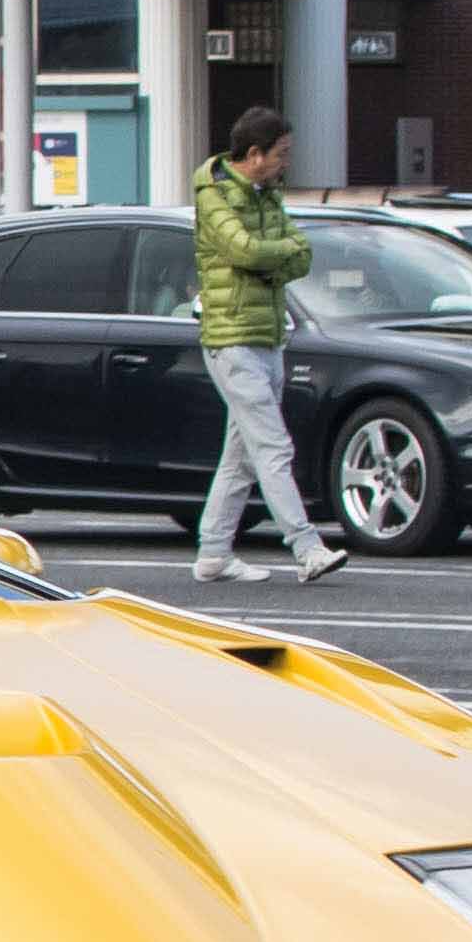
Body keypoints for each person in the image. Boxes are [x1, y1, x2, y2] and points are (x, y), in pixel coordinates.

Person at [190, 106, 347, 585]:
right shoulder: (215, 196)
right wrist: (271, 257)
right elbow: (244, 251)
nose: (286, 163)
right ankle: (306, 547)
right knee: (272, 446)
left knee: (241, 454)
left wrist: (267, 260)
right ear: (254, 155)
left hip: (268, 335)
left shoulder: (267, 195)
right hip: (231, 338)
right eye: (281, 154)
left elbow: (299, 253)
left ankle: (214, 553)